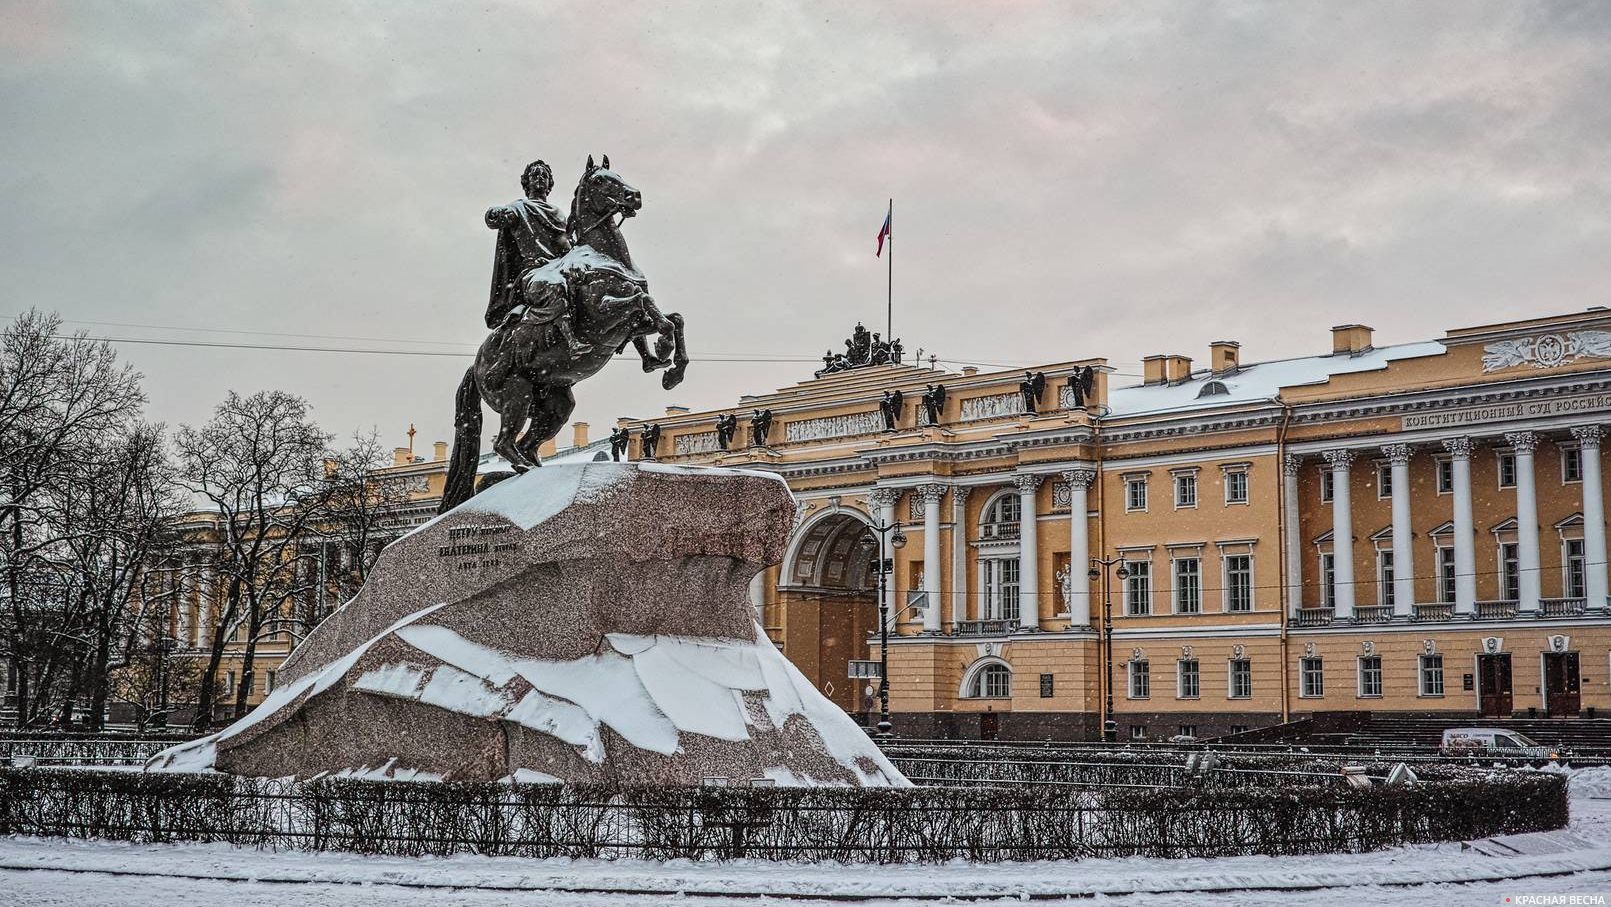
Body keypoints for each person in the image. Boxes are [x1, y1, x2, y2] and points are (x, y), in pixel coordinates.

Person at [484, 160, 591, 354]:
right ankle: (571, 340)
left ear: (550, 184)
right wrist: (493, 214)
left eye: (544, 176)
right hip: (533, 272)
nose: (540, 178)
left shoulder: (558, 213)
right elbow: (495, 220)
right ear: (527, 183)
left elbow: (564, 244)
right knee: (554, 285)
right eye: (535, 175)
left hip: (558, 267)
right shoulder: (519, 208)